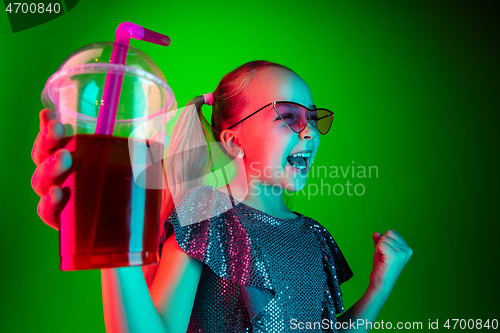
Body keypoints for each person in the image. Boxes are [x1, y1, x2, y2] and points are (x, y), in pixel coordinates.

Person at [31, 60, 413, 333]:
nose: (309, 131)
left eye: (313, 119)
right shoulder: (206, 214)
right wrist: (114, 237)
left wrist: (379, 285)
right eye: (289, 117)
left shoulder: (316, 238)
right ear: (232, 140)